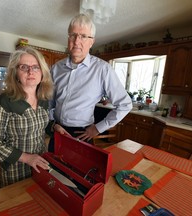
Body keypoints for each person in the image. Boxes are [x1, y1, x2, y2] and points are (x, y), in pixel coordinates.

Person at [48, 14, 132, 152]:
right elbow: (49, 102)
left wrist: (98, 128)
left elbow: (125, 104)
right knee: (54, 171)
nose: (77, 41)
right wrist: (52, 123)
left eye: (83, 36)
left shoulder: (103, 69)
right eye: (73, 35)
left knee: (80, 173)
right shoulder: (56, 68)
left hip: (82, 134)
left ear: (91, 41)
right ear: (68, 38)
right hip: (57, 130)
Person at [0, 46, 53, 188]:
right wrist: (27, 158)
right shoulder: (4, 101)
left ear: (42, 72)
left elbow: (40, 126)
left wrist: (54, 126)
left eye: (35, 67)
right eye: (24, 67)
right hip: (16, 168)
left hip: (40, 162)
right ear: (15, 73)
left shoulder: (44, 99)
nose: (30, 71)